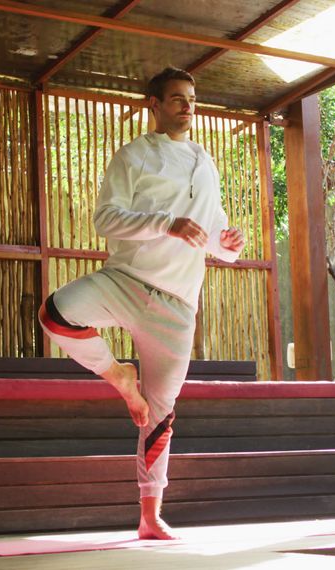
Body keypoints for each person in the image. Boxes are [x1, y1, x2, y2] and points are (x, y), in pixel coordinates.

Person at [38, 66, 245, 540]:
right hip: (125, 281)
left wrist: (228, 243)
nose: (187, 107)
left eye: (191, 99)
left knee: (160, 412)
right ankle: (117, 375)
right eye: (176, 98)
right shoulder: (133, 155)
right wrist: (165, 223)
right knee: (56, 313)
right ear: (153, 104)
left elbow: (215, 237)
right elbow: (106, 219)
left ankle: (149, 516)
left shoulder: (205, 162)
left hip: (178, 302)